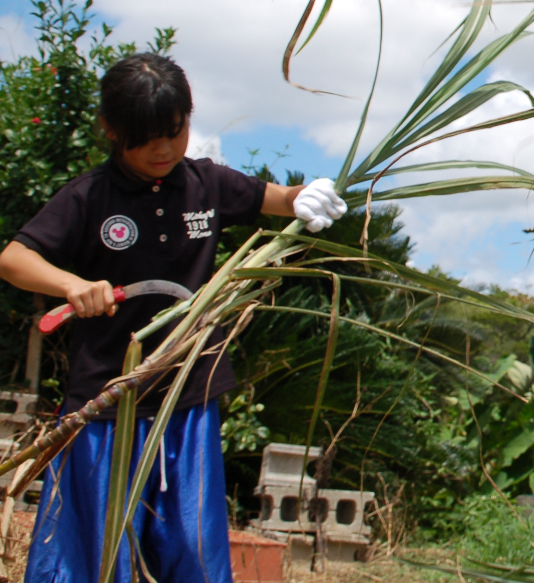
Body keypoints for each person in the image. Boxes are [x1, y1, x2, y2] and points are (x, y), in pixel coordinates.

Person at [0, 53, 347, 583]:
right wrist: (71, 285)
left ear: (189, 117)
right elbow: (13, 258)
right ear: (112, 132)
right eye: (145, 138)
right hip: (106, 400)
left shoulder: (207, 185)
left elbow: (279, 199)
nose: (163, 149)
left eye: (175, 131)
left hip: (188, 396)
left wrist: (309, 197)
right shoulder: (90, 196)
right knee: (94, 551)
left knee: (191, 544)